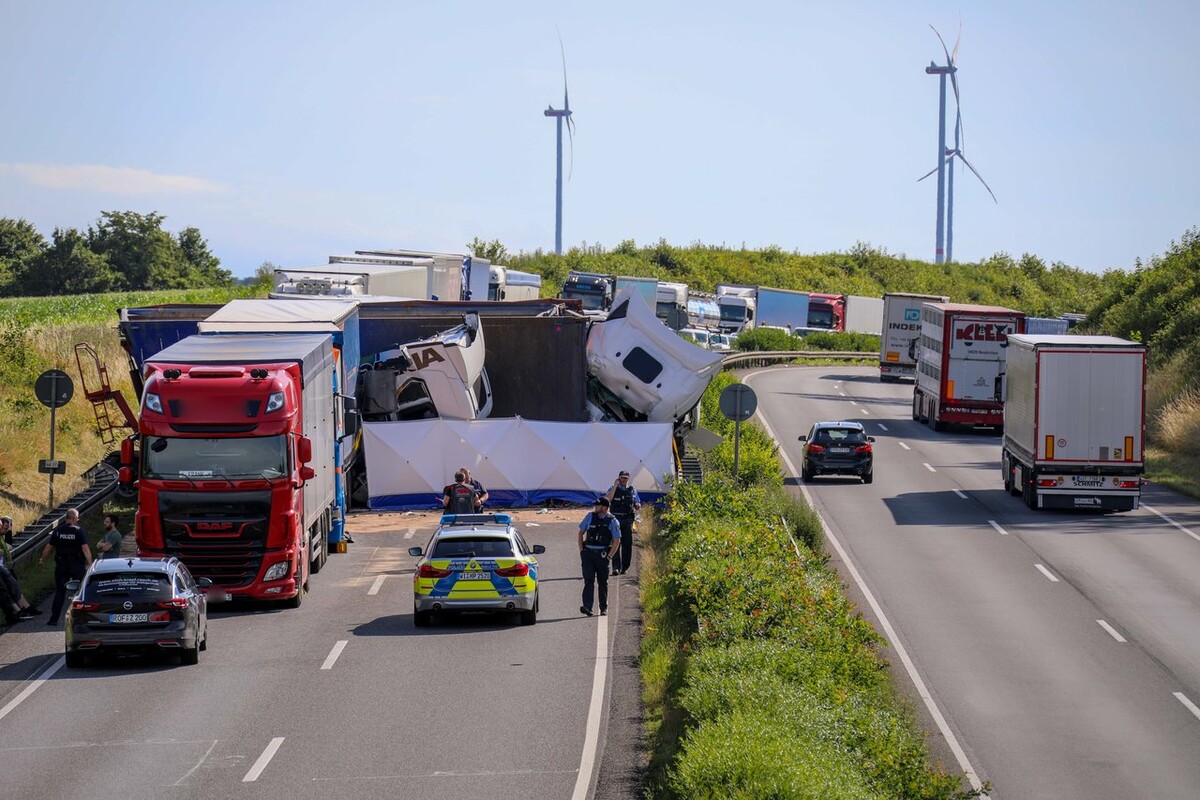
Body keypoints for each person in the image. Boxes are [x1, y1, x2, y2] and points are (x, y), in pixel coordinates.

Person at [39, 508, 92, 626]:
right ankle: (81, 620)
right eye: (77, 518)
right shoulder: (79, 531)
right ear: (73, 518)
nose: (78, 520)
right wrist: (90, 563)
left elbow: (49, 547)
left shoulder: (57, 531)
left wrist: (42, 559)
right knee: (80, 592)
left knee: (60, 591)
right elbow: (85, 548)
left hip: (61, 565)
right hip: (76, 564)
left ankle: (53, 619)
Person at [577, 497, 621, 617]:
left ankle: (603, 608)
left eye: (599, 506)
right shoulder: (590, 517)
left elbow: (617, 540)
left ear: (605, 508)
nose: (596, 507)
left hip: (602, 555)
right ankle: (587, 606)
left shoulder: (612, 521)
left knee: (602, 582)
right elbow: (581, 532)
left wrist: (609, 556)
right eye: (596, 506)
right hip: (588, 554)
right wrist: (582, 551)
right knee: (588, 580)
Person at [605, 470, 642, 576]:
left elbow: (637, 503)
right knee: (616, 542)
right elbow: (607, 499)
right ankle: (615, 567)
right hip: (615, 519)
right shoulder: (613, 489)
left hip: (627, 520)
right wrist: (615, 486)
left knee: (627, 544)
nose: (623, 480)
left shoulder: (632, 490)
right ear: (618, 478)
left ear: (628, 479)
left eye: (625, 478)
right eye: (622, 478)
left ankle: (625, 567)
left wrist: (637, 505)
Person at [0, 531, 39, 624]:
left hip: (4, 567)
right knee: (4, 592)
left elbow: (8, 547)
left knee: (13, 588)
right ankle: (16, 613)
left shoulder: (1, 537)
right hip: (3, 567)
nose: (4, 528)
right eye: (3, 526)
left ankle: (22, 610)